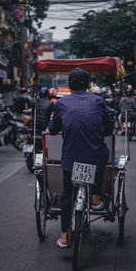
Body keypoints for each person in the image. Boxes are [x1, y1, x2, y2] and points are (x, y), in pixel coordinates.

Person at [48, 68, 114, 248]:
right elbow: (109, 127)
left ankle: (63, 235)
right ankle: (96, 196)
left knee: (67, 195)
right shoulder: (98, 101)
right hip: (95, 156)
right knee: (101, 155)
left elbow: (53, 129)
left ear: (68, 85)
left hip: (71, 158)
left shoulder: (61, 103)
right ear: (88, 84)